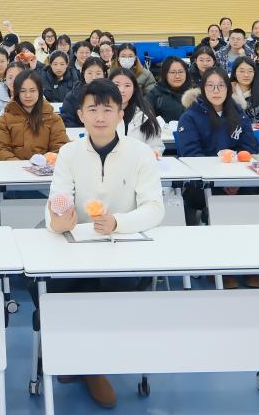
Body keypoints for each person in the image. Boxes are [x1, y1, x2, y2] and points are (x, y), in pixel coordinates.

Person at [46, 78, 164, 409]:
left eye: (107, 109)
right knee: (62, 291)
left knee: (112, 293)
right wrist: (57, 220)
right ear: (80, 114)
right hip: (76, 247)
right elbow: (56, 199)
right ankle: (79, 360)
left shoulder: (139, 153)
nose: (100, 117)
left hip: (121, 247)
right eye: (93, 109)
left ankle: (91, 365)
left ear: (120, 113)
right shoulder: (69, 153)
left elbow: (155, 208)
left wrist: (118, 223)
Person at [176, 68, 259, 157]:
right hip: (202, 165)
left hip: (234, 165)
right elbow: (191, 155)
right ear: (203, 89)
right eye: (210, 85)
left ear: (228, 89)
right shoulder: (190, 118)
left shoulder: (239, 114)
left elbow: (249, 149)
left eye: (221, 85)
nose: (216, 91)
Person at [0, 69, 69, 161]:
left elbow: (60, 146)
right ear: (17, 92)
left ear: (40, 91)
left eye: (32, 91)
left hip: (45, 168)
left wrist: (45, 162)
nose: (28, 95)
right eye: (23, 91)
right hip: (13, 168)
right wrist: (17, 164)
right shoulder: (5, 119)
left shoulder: (53, 119)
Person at [108, 68, 165, 153]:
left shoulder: (144, 114)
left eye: (127, 85)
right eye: (116, 85)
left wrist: (154, 153)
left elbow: (156, 146)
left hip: (139, 160)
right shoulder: (100, 114)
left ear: (134, 89)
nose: (121, 90)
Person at [60, 57, 108, 128]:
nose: (94, 77)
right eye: (89, 73)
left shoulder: (111, 95)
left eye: (98, 73)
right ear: (83, 74)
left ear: (104, 74)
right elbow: (67, 121)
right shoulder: (72, 96)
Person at [229, 56, 259, 129]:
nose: (246, 75)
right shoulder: (227, 94)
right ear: (234, 73)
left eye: (250, 71)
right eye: (242, 71)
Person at [146, 57, 190, 125]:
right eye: (173, 72)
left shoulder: (195, 94)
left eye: (181, 72)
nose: (177, 76)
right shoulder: (155, 94)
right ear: (165, 74)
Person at [0, 62, 24, 131]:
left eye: (18, 77)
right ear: (5, 78)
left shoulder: (34, 95)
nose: (14, 81)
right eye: (10, 77)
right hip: (4, 134)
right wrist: (7, 108)